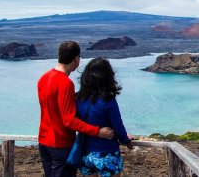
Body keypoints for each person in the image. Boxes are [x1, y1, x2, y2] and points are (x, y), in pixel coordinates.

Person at [38, 41, 115, 177]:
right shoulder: (65, 83)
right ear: (76, 59)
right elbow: (68, 120)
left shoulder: (44, 78)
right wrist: (98, 132)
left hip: (44, 141)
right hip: (60, 144)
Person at [76, 58, 133, 177]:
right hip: (106, 153)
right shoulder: (108, 100)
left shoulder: (78, 98)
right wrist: (126, 140)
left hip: (85, 153)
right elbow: (118, 125)